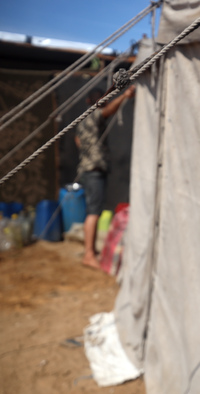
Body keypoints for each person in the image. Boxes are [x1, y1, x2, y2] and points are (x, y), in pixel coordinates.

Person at [75, 85, 135, 269]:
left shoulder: (81, 121)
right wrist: (125, 96)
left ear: (87, 101)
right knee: (93, 212)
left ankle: (90, 250)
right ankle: (88, 254)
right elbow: (107, 111)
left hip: (86, 168)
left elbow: (78, 142)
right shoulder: (95, 115)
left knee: (92, 210)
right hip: (94, 170)